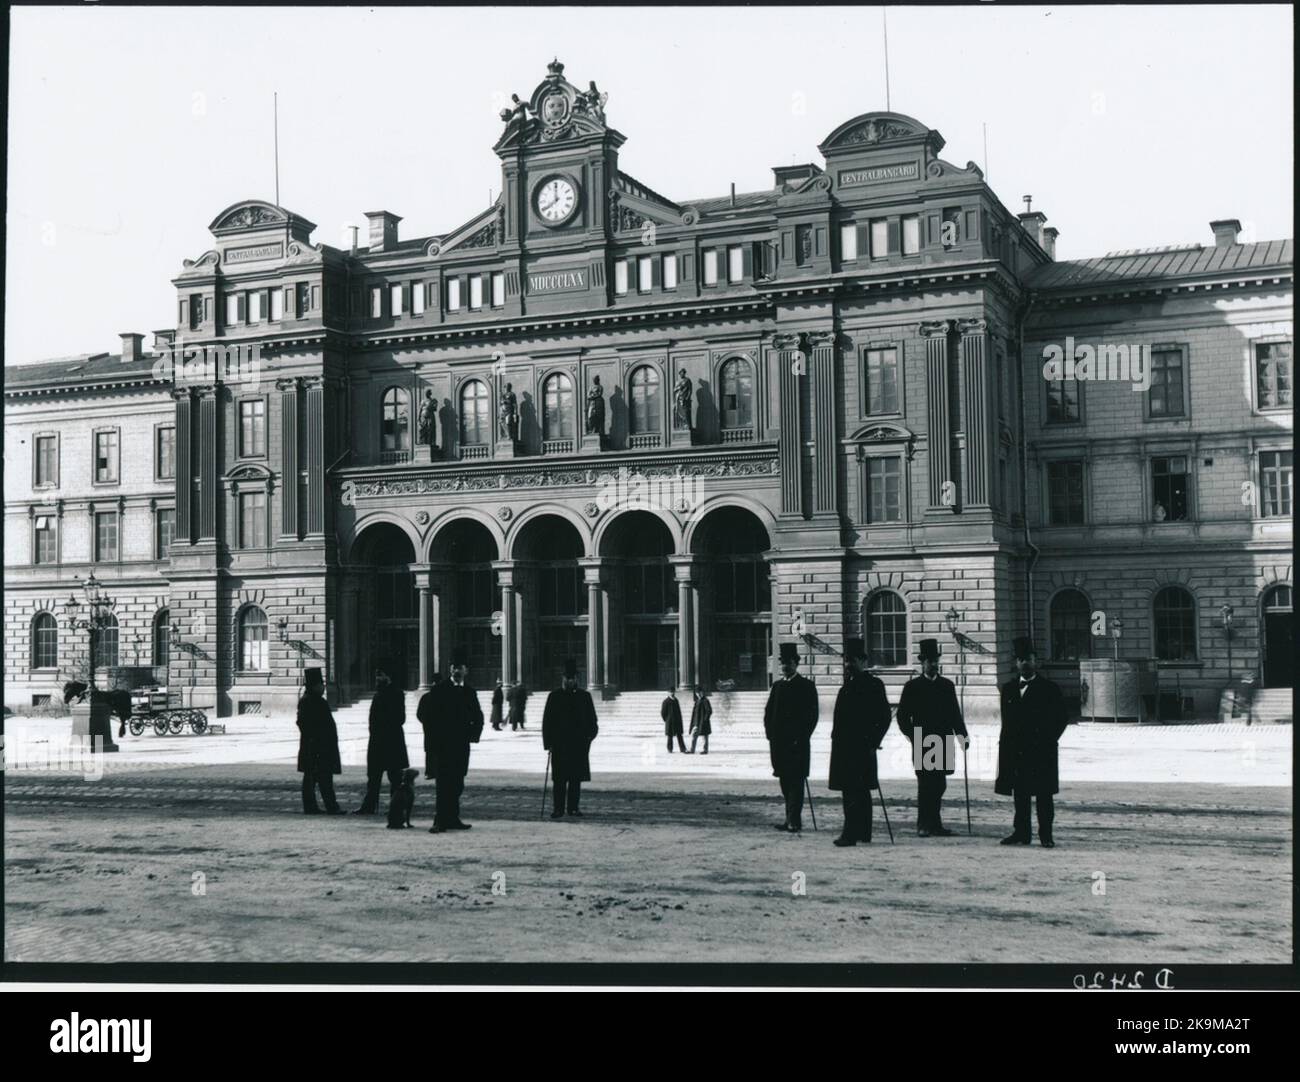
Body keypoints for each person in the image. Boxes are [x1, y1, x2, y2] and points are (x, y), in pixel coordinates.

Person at [996, 637, 1070, 848]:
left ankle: (1046, 835)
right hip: (1017, 751)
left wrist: (1048, 739)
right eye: (1021, 659)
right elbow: (1006, 722)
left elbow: (1062, 718)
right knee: (1020, 795)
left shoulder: (1049, 688)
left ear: (1035, 661)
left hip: (1041, 750)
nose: (1025, 663)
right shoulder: (1008, 689)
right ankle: (1021, 833)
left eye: (1028, 659)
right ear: (1016, 663)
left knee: (1044, 795)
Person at [896, 639, 968, 837]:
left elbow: (955, 714)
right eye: (929, 661)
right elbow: (902, 717)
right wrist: (913, 736)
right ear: (923, 663)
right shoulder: (912, 687)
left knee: (940, 784)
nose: (933, 665)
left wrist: (963, 737)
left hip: (943, 741)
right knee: (926, 784)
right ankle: (923, 824)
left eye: (935, 661)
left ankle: (935, 824)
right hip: (923, 742)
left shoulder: (947, 686)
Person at [828, 638, 893, 847]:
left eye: (853, 660)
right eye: (847, 661)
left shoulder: (874, 685)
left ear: (863, 661)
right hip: (845, 750)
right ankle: (863, 832)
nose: (849, 665)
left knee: (857, 791)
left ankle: (852, 834)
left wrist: (874, 741)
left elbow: (884, 717)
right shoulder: (846, 688)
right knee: (855, 790)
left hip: (863, 748)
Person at [424, 649, 483, 833]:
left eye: (461, 668)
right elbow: (426, 716)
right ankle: (439, 820)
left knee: (458, 783)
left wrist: (472, 735)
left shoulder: (470, 692)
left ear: (466, 670)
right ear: (450, 669)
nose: (457, 671)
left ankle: (452, 817)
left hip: (461, 745)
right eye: (454, 668)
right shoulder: (439, 690)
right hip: (442, 745)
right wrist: (433, 740)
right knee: (443, 783)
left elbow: (478, 716)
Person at [763, 642, 819, 832]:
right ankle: (790, 818)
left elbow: (812, 716)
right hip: (779, 745)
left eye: (789, 662)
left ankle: (794, 820)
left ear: (796, 663)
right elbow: (768, 713)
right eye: (783, 663)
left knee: (796, 782)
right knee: (785, 781)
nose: (785, 666)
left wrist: (801, 737)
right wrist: (770, 734)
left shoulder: (806, 686)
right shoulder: (777, 686)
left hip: (797, 745)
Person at [542, 658, 599, 819]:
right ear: (563, 679)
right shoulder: (554, 696)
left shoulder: (585, 697)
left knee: (575, 780)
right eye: (567, 678)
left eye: (572, 678)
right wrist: (548, 744)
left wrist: (588, 739)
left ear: (576, 679)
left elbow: (593, 722)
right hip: (559, 746)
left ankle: (573, 808)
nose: (570, 681)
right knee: (559, 780)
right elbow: (547, 722)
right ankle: (558, 809)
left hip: (578, 746)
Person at [354, 662, 409, 815]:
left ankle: (395, 806)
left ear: (388, 676)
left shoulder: (397, 693)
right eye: (377, 675)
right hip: (378, 741)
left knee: (395, 778)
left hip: (391, 741)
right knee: (373, 778)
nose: (377, 678)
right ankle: (369, 806)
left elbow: (400, 718)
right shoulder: (378, 694)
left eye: (380, 675)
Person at [296, 667, 343, 815]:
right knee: (317, 778)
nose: (323, 687)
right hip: (316, 746)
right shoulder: (310, 701)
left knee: (318, 777)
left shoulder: (314, 700)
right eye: (320, 684)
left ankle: (319, 806)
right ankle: (325, 807)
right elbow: (303, 724)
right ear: (314, 686)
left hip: (317, 746)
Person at [416, 671, 442, 779]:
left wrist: (425, 722)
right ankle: (438, 771)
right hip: (440, 728)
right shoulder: (444, 697)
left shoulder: (426, 697)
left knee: (429, 751)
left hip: (429, 728)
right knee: (440, 750)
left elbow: (419, 714)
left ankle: (430, 772)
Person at [661, 687, 689, 753]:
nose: (672, 693)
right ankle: (669, 749)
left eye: (673, 692)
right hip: (670, 722)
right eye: (670, 692)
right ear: (668, 693)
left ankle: (683, 748)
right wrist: (667, 720)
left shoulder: (676, 700)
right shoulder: (666, 701)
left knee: (679, 735)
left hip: (677, 721)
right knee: (670, 736)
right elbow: (663, 713)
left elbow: (679, 711)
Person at [689, 685, 712, 754]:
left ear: (702, 692)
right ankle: (692, 750)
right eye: (697, 693)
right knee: (694, 735)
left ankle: (705, 750)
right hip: (697, 722)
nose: (698, 694)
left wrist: (705, 720)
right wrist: (694, 722)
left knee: (705, 736)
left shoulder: (705, 700)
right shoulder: (697, 701)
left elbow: (709, 711)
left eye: (699, 692)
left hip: (703, 722)